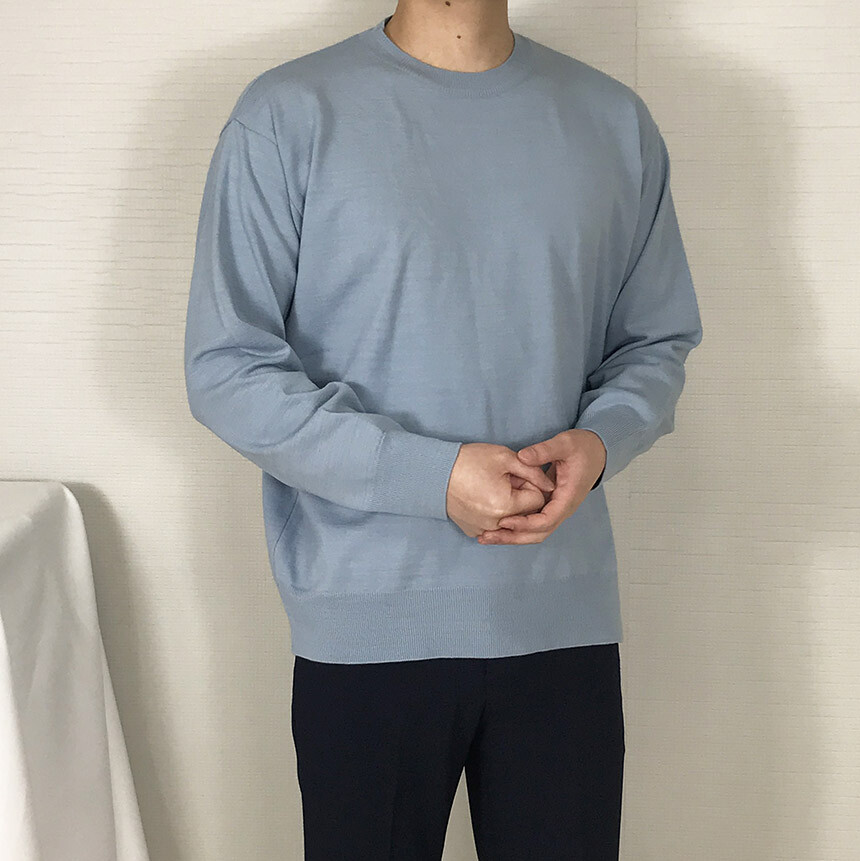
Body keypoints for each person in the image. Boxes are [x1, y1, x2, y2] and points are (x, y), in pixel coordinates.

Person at [184, 1, 703, 857]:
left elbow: (655, 340)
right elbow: (226, 368)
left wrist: (603, 440)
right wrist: (432, 477)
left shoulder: (614, 121)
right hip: (367, 622)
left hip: (560, 620)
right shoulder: (287, 115)